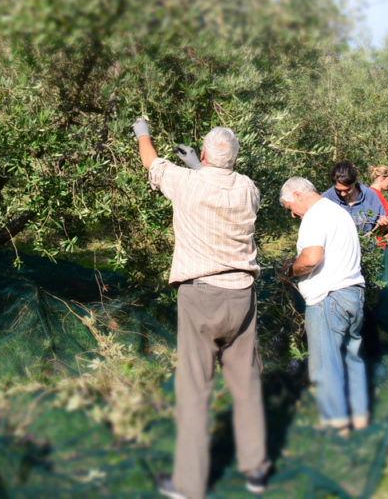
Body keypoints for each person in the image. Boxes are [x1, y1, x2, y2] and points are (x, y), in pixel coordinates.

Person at [132, 118, 270, 499]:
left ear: (204, 153)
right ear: (236, 157)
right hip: (242, 295)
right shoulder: (249, 189)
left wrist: (142, 130)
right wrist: (201, 165)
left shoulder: (186, 183)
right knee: (246, 385)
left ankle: (189, 485)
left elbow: (152, 162)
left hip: (200, 294)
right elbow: (223, 185)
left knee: (195, 389)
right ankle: (256, 470)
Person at [279, 177, 369, 435]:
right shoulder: (339, 212)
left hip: (328, 299)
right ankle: (359, 417)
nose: (293, 215)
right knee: (352, 358)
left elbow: (311, 259)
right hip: (353, 294)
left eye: (290, 208)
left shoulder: (315, 216)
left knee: (325, 362)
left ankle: (335, 425)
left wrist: (290, 270)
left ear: (297, 194)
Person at [322, 161, 388, 252]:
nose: (343, 194)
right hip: (336, 257)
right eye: (338, 190)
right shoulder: (325, 200)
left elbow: (383, 230)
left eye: (347, 190)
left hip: (366, 257)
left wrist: (384, 229)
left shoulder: (370, 196)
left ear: (355, 180)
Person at [366, 165, 388, 253]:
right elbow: (375, 219)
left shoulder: (378, 195)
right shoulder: (372, 195)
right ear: (382, 178)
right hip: (378, 246)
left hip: (384, 245)